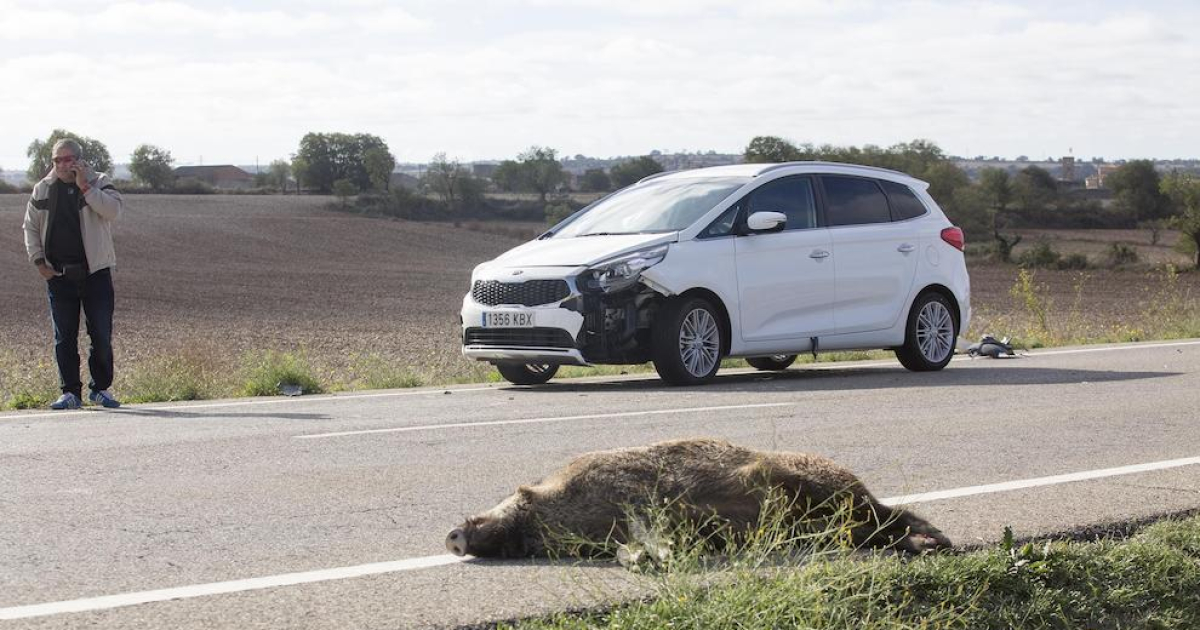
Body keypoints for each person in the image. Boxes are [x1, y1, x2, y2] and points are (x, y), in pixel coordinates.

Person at [22, 138, 125, 409]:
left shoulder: (99, 181)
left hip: (96, 273)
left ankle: (100, 389)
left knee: (101, 334)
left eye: (68, 160)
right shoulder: (42, 189)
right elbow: (29, 227)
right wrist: (38, 262)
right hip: (58, 276)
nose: (62, 165)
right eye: (57, 160)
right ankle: (70, 392)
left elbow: (113, 211)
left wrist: (85, 187)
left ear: (80, 160)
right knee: (64, 337)